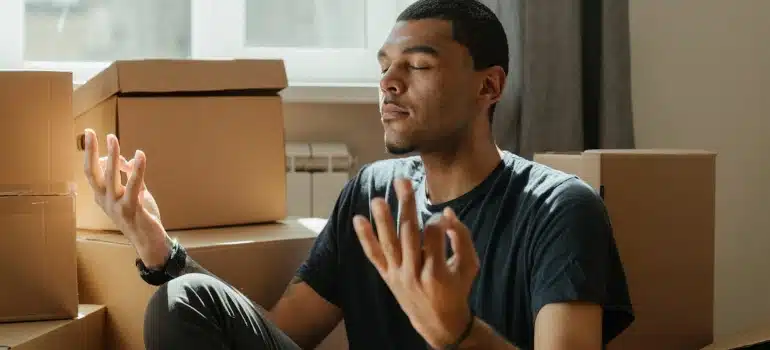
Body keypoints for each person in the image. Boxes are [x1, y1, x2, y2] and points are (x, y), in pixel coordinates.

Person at [82, 0, 634, 349]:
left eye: (417, 65)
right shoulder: (372, 192)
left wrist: (457, 333)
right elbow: (281, 336)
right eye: (383, 65)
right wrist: (157, 248)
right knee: (187, 300)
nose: (389, 82)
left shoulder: (559, 208)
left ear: (488, 87)